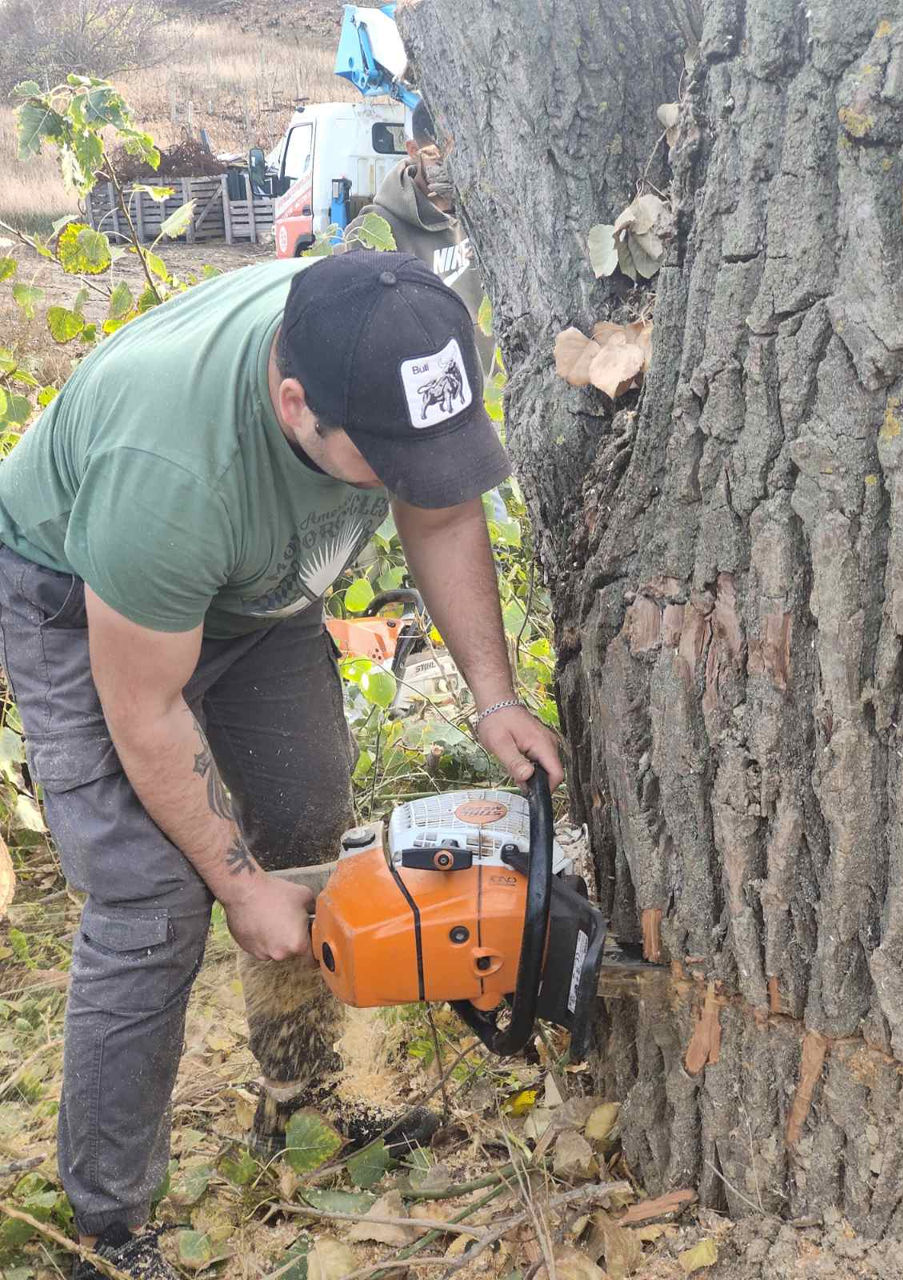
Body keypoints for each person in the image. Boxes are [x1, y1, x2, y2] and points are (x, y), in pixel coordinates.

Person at [0, 249, 562, 1279]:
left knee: (306, 822)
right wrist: (234, 880)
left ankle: (304, 1106)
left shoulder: (389, 336)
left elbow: (439, 508)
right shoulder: (169, 470)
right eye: (385, 456)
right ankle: (108, 1225)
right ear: (294, 404)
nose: (409, 475)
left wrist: (493, 696)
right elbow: (146, 709)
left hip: (254, 593)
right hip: (84, 593)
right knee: (152, 898)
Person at [348, 102, 492, 364]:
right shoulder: (377, 230)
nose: (454, 167)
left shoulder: (487, 213)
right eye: (440, 156)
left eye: (462, 154)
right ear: (414, 151)